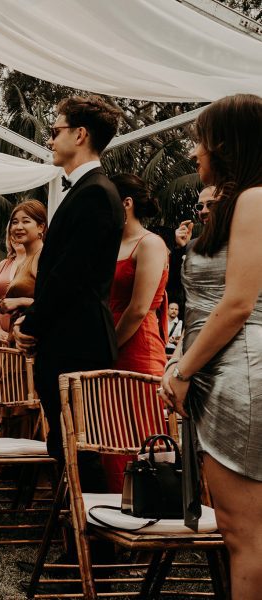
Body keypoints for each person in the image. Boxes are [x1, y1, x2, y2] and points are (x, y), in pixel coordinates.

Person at [159, 93, 262, 598]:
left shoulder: (255, 199)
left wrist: (181, 371)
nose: (195, 153)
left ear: (224, 144)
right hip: (227, 370)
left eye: (200, 140)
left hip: (240, 371)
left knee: (245, 537)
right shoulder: (238, 203)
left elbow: (239, 303)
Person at [13, 95, 124, 481]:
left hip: (77, 342)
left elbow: (69, 275)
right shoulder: (84, 190)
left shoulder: (95, 192)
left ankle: (90, 539)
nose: (49, 140)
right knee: (65, 444)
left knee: (78, 448)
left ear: (80, 135)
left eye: (55, 130)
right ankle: (76, 535)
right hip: (68, 338)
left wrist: (32, 326)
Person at [103, 173, 168, 492]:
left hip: (137, 344)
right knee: (111, 431)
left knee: (140, 429)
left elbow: (139, 308)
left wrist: (110, 345)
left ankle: (151, 504)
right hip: (110, 338)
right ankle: (116, 505)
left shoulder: (151, 243)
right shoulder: (111, 244)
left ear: (126, 204)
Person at [0, 200, 47, 334]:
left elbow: (55, 302)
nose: (18, 227)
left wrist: (19, 302)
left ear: (41, 227)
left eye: (26, 221)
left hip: (35, 343)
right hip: (17, 342)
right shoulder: (23, 262)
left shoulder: (43, 256)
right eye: (15, 222)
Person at [0, 226, 25, 342]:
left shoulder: (38, 263)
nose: (16, 238)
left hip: (25, 336)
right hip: (1, 338)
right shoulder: (2, 265)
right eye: (12, 234)